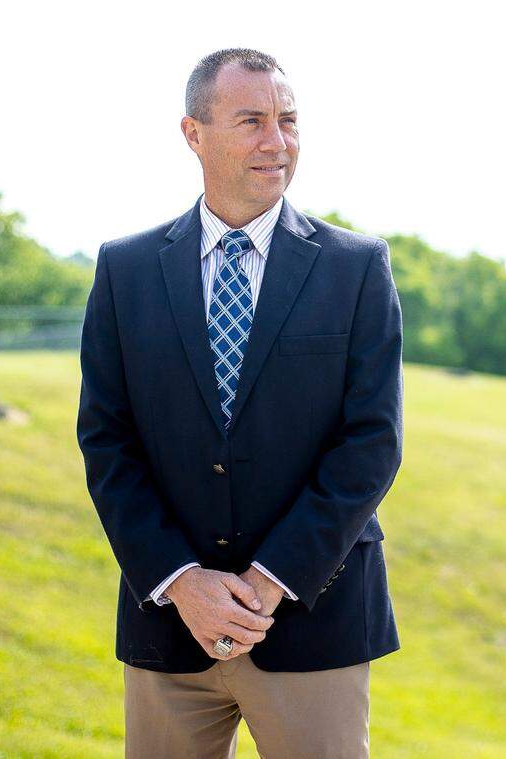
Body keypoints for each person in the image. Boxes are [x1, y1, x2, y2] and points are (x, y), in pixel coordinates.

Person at [76, 47, 403, 758]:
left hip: (314, 624)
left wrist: (266, 582)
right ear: (193, 133)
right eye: (251, 120)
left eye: (288, 120)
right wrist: (181, 581)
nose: (276, 141)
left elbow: (372, 442)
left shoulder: (357, 268)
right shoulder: (124, 271)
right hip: (169, 629)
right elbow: (108, 441)